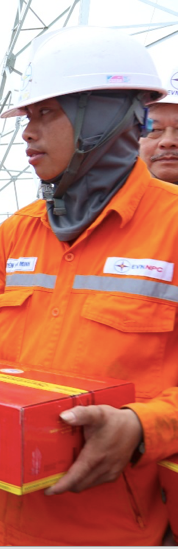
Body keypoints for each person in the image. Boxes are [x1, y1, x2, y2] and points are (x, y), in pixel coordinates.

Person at [0, 26, 178, 545]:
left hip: (106, 529)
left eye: (46, 113)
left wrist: (142, 427)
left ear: (102, 118)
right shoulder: (15, 234)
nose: (27, 133)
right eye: (27, 117)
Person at [138, 67, 178, 544]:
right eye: (154, 130)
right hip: (132, 496)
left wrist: (141, 426)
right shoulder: (99, 234)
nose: (168, 142)